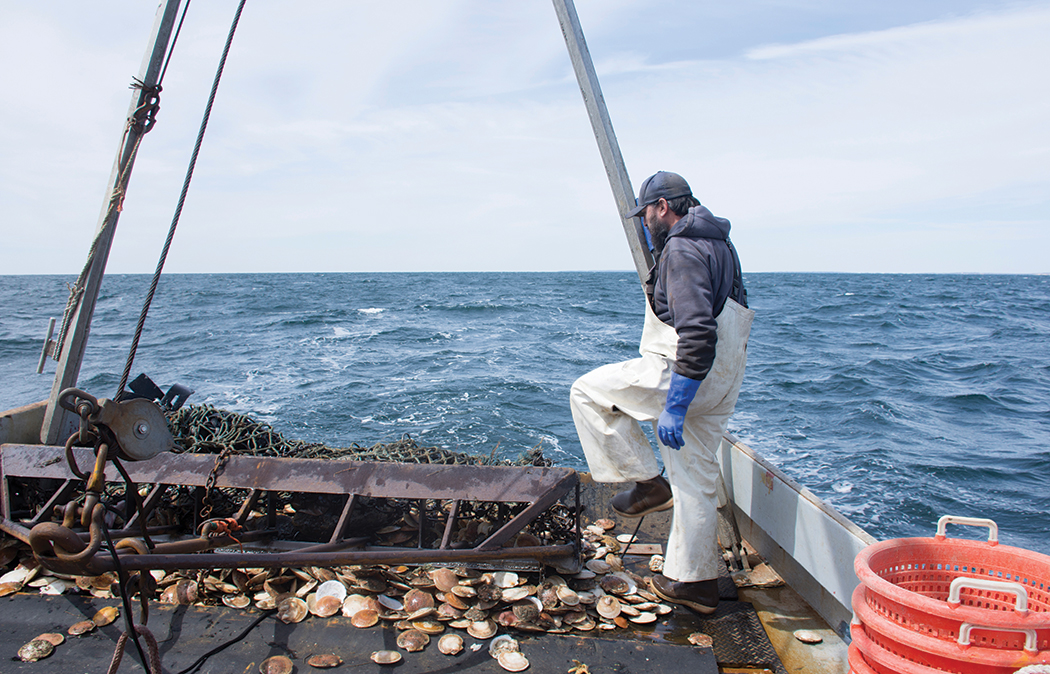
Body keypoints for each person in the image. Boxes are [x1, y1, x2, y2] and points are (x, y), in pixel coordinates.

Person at [569, 171, 753, 614]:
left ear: (663, 207)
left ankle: (649, 484)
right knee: (694, 481)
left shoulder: (682, 249)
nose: (645, 221)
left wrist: (676, 404)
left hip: (684, 372)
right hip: (724, 379)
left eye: (646, 212)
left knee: (587, 392)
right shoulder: (721, 244)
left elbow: (695, 331)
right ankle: (695, 585)